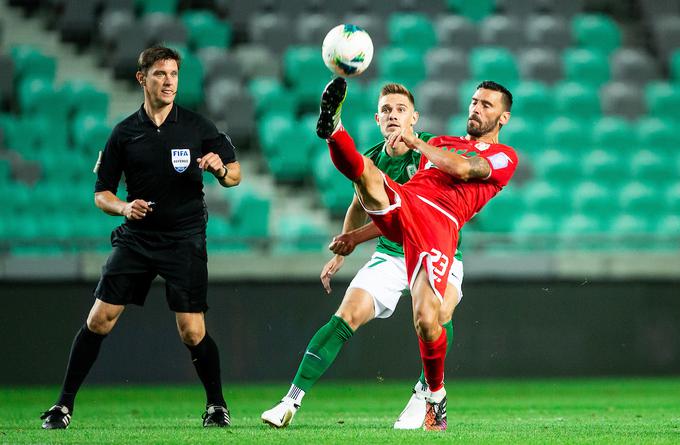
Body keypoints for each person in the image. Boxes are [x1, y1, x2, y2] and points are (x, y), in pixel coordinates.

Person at [40, 46, 241, 430]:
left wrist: (220, 170)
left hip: (184, 239)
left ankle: (216, 405)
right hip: (137, 238)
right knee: (99, 319)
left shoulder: (198, 127)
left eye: (174, 75)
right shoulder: (124, 133)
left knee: (192, 330)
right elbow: (102, 193)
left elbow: (235, 174)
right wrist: (124, 207)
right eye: (161, 74)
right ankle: (62, 406)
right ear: (142, 78)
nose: (169, 82)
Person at [313, 77, 518, 431]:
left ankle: (435, 395)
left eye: (486, 105)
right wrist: (354, 237)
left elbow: (465, 169)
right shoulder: (440, 142)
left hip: (441, 224)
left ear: (503, 118)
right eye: (473, 101)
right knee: (369, 178)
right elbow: (413, 193)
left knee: (427, 320)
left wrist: (416, 142)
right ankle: (334, 130)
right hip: (409, 204)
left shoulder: (504, 156)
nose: (475, 109)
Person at [261, 83, 464, 430]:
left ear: (414, 117)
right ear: (377, 118)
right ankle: (290, 400)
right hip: (391, 255)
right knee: (346, 315)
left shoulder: (431, 153)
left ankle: (425, 395)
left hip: (436, 249)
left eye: (400, 109)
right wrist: (343, 250)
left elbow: (409, 215)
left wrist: (355, 237)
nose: (393, 115)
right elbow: (361, 204)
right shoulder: (373, 159)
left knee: (439, 313)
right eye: (386, 110)